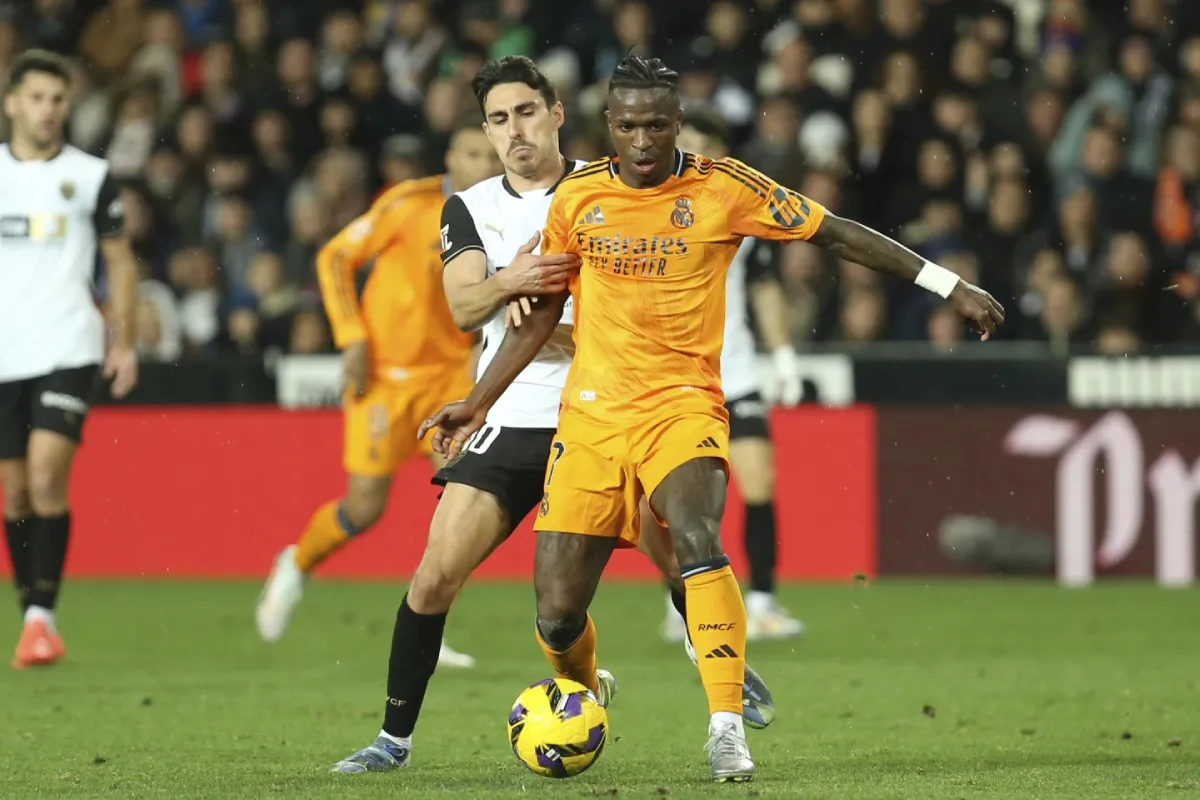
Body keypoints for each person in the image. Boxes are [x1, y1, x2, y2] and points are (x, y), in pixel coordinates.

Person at [420, 55, 1004, 783]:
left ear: (677, 123)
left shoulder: (724, 188)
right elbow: (537, 320)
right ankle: (585, 687)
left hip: (684, 403)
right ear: (608, 125)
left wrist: (946, 283)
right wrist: (478, 401)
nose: (641, 140)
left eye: (657, 125)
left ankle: (725, 727)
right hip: (594, 418)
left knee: (697, 536)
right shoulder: (577, 199)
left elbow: (836, 232)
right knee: (558, 614)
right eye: (628, 125)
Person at [331, 55, 775, 775]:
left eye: (528, 113)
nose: (516, 131)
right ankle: (393, 740)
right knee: (435, 574)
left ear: (559, 113)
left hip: (613, 412)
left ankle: (722, 677)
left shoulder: (611, 183)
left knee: (684, 557)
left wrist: (568, 329)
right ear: (485, 129)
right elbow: (464, 304)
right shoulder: (472, 207)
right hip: (515, 413)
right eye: (499, 120)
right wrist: (517, 281)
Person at [254, 112, 502, 671]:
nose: (483, 166)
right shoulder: (407, 204)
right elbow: (335, 257)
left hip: (451, 382)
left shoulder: (506, 212)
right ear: (449, 161)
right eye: (471, 154)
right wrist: (351, 337)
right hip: (384, 381)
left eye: (490, 155)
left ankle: (429, 629)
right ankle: (295, 564)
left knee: (465, 505)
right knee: (364, 509)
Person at [0, 50, 140, 669]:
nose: (48, 110)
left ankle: (41, 619)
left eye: (57, 99)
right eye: (36, 98)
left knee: (46, 476)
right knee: (13, 494)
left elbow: (119, 261)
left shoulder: (90, 175)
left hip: (67, 345)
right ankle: (32, 610)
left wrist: (125, 341)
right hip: (6, 351)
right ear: (12, 104)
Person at [659, 107, 804, 644]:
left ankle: (763, 599)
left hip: (736, 372)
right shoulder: (652, 213)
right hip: (678, 378)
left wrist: (784, 354)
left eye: (706, 147)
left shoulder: (740, 211)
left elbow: (764, 287)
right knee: (687, 500)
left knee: (760, 483)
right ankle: (682, 606)